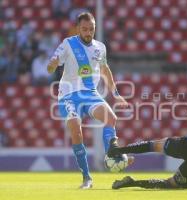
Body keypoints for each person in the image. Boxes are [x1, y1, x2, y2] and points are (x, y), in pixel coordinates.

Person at [47, 12, 129, 189]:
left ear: (95, 28)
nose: (88, 32)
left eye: (91, 29)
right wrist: (52, 64)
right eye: (84, 29)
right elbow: (51, 65)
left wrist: (115, 94)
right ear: (78, 28)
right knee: (76, 129)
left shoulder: (100, 47)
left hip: (90, 93)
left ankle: (111, 156)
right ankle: (87, 178)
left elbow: (105, 69)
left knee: (111, 118)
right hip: (68, 94)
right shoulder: (68, 44)